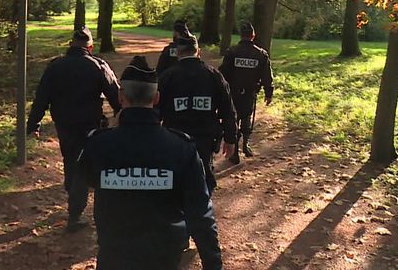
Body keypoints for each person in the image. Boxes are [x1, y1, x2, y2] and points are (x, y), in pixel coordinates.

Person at [77, 56, 223, 270]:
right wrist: (213, 264)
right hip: (164, 257)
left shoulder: (97, 145)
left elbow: (83, 178)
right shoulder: (181, 148)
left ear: (120, 96)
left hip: (114, 256)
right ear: (156, 98)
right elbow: (200, 213)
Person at [26, 26, 121, 232]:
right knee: (90, 165)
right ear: (90, 46)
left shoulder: (55, 67)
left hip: (65, 125)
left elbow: (41, 98)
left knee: (72, 162)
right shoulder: (98, 66)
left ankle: (76, 206)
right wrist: (124, 117)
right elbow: (115, 95)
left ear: (71, 44)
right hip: (91, 126)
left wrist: (33, 124)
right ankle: (80, 212)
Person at [158, 34, 236, 193]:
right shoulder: (213, 75)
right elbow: (227, 109)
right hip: (205, 138)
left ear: (178, 53)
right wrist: (230, 138)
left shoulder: (167, 77)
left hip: (174, 138)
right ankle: (202, 211)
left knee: (175, 179)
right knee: (203, 176)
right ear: (198, 51)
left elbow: (155, 109)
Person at [219, 21, 274, 164]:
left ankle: (235, 150)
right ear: (253, 36)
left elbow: (223, 73)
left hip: (233, 92)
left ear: (241, 35)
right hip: (250, 92)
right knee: (247, 116)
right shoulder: (261, 54)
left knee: (233, 118)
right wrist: (269, 92)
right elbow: (266, 76)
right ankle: (246, 144)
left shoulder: (232, 52)